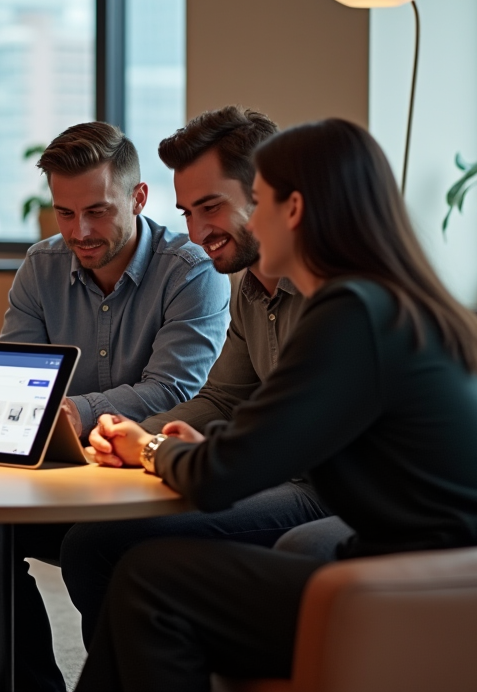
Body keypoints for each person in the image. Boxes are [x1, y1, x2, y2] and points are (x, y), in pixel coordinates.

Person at [76, 118, 477, 692]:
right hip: (428, 568)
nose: (251, 216)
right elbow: (255, 431)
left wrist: (149, 446)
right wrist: (207, 449)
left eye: (262, 199)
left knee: (152, 583)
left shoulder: (352, 315)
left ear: (292, 208)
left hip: (446, 589)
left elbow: (219, 478)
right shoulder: (378, 301)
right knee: (150, 581)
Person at [0, 121, 231, 692]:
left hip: (147, 479)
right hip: (70, 476)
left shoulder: (192, 270)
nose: (80, 231)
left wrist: (71, 409)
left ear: (139, 197)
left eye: (97, 211)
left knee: (88, 549)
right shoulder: (40, 266)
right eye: (65, 213)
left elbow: (174, 388)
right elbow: (14, 378)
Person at [61, 106, 331, 646]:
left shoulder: (334, 295)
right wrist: (129, 435)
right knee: (95, 540)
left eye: (212, 207)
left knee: (101, 543)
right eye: (187, 212)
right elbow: (221, 398)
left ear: (272, 195)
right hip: (277, 474)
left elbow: (282, 442)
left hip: (326, 490)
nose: (199, 231)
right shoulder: (252, 288)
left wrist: (156, 450)